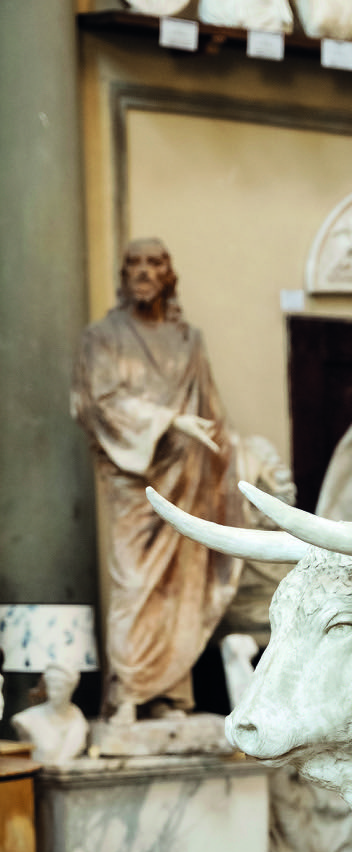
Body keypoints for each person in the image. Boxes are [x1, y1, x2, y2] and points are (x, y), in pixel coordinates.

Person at [71, 237, 241, 722]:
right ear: (123, 275)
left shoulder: (189, 340)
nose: (144, 271)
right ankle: (127, 691)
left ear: (168, 274)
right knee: (135, 582)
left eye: (153, 263)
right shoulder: (102, 337)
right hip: (132, 478)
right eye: (134, 263)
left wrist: (234, 458)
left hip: (186, 477)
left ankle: (169, 695)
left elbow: (211, 411)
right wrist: (170, 421)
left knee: (176, 586)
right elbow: (98, 401)